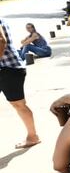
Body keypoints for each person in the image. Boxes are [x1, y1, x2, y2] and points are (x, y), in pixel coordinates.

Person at [0, 18, 40, 149]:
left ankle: (33, 136)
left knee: (19, 104)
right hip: (9, 68)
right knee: (19, 105)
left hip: (8, 68)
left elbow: (1, 41)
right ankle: (33, 136)